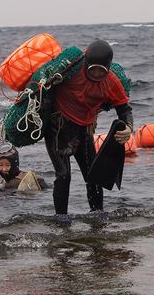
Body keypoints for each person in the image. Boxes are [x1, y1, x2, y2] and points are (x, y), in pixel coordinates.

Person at [45, 40, 133, 216]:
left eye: (102, 70)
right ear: (86, 64)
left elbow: (124, 109)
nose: (98, 74)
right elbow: (46, 90)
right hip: (58, 128)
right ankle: (61, 219)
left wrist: (129, 128)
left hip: (84, 130)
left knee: (94, 175)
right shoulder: (71, 71)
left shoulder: (111, 82)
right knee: (63, 175)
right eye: (93, 69)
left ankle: (97, 215)